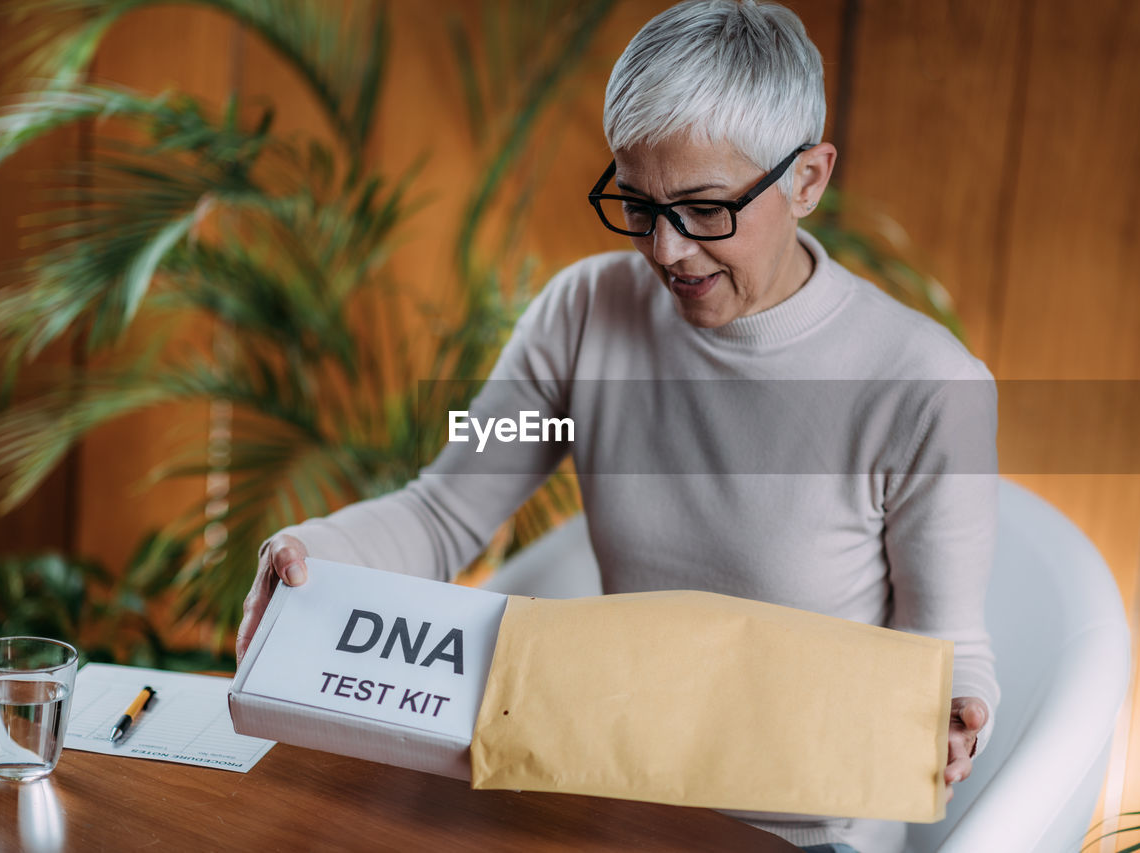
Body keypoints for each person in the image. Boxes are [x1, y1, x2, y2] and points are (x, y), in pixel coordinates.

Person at [236, 2, 1000, 851]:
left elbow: (950, 643)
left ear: (808, 181)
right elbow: (442, 510)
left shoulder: (930, 386)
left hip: (801, 829)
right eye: (637, 203)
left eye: (706, 209)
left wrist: (957, 715)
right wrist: (313, 554)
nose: (666, 251)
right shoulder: (585, 314)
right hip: (609, 792)